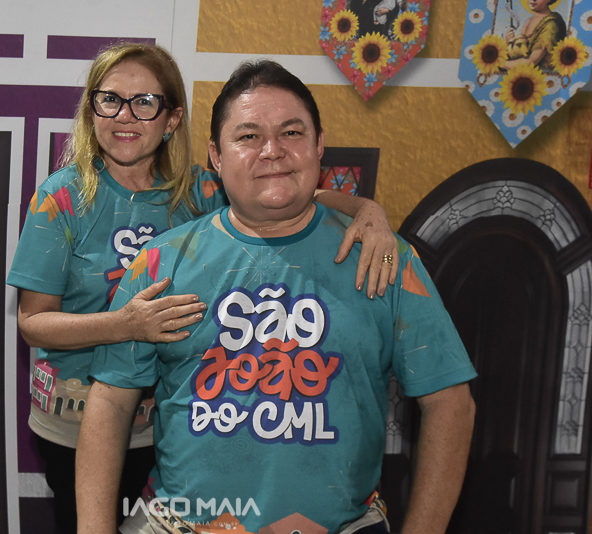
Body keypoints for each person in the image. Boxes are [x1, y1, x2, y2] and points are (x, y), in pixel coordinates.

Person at [7, 44, 399, 532]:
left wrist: (367, 211)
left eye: (144, 102)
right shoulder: (60, 198)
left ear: (171, 119)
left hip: (166, 427)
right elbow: (33, 323)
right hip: (77, 425)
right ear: (92, 111)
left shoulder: (199, 190)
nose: (125, 116)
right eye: (110, 100)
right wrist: (125, 324)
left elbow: (286, 189)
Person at [76, 59, 477, 534]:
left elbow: (450, 402)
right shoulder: (161, 262)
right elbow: (110, 402)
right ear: (216, 156)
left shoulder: (384, 258)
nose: (273, 151)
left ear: (319, 145)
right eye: (248, 136)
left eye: (291, 132)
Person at [503, 0, 566, 71]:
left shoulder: (551, 25)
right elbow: (520, 51)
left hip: (541, 73)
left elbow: (531, 61)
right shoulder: (529, 21)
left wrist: (500, 63)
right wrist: (509, 42)